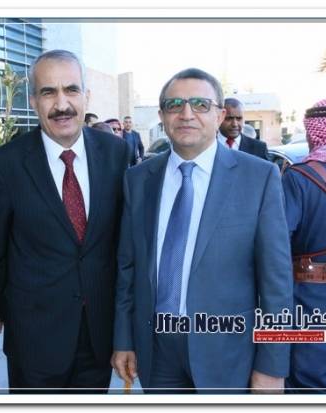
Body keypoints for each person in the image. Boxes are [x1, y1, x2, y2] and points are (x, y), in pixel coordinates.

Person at [112, 68, 293, 393]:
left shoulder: (259, 177)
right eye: (175, 104)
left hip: (228, 353)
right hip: (157, 352)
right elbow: (128, 267)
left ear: (219, 115)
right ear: (161, 116)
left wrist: (272, 364)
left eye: (200, 104)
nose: (186, 114)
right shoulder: (138, 180)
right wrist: (124, 339)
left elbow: (276, 282)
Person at [0, 49, 129, 392]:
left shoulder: (116, 153)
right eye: (48, 92)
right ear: (33, 101)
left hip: (98, 336)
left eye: (71, 90)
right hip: (33, 339)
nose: (61, 104)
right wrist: (5, 307)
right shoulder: (6, 163)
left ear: (86, 96)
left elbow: (123, 242)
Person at [282, 98, 326, 393]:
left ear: (314, 130)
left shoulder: (299, 177)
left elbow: (279, 241)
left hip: (312, 295)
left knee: (308, 383)